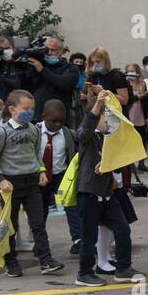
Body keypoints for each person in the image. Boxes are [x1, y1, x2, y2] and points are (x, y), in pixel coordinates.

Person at [73, 89, 147, 288]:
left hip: (107, 193)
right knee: (89, 237)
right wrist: (97, 105)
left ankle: (123, 268)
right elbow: (84, 132)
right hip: (89, 193)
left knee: (122, 229)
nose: (111, 120)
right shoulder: (89, 137)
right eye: (107, 116)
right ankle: (84, 273)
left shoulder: (109, 138)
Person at [0, 89, 65, 278]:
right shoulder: (2, 133)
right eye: (25, 108)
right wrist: (1, 179)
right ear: (13, 110)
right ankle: (11, 262)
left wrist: (40, 170)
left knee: (38, 224)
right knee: (10, 226)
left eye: (31, 108)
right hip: (11, 185)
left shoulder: (34, 130)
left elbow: (35, 155)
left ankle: (46, 260)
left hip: (31, 184)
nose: (29, 112)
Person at [37, 99, 82, 253]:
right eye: (53, 121)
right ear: (43, 116)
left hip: (60, 174)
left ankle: (78, 240)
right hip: (40, 176)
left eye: (61, 121)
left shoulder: (68, 134)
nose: (57, 124)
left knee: (71, 206)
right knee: (40, 211)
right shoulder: (35, 132)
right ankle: (40, 243)